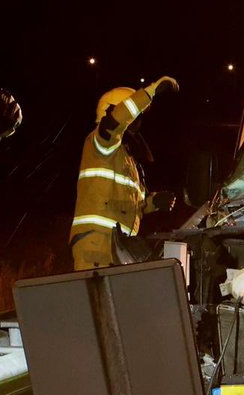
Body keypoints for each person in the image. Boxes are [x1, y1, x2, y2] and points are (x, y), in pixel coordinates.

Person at [71, 76, 179, 270]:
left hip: (118, 247)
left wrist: (153, 202)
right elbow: (115, 122)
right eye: (135, 118)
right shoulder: (101, 144)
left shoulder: (126, 157)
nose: (137, 125)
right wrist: (150, 92)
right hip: (97, 245)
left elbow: (129, 204)